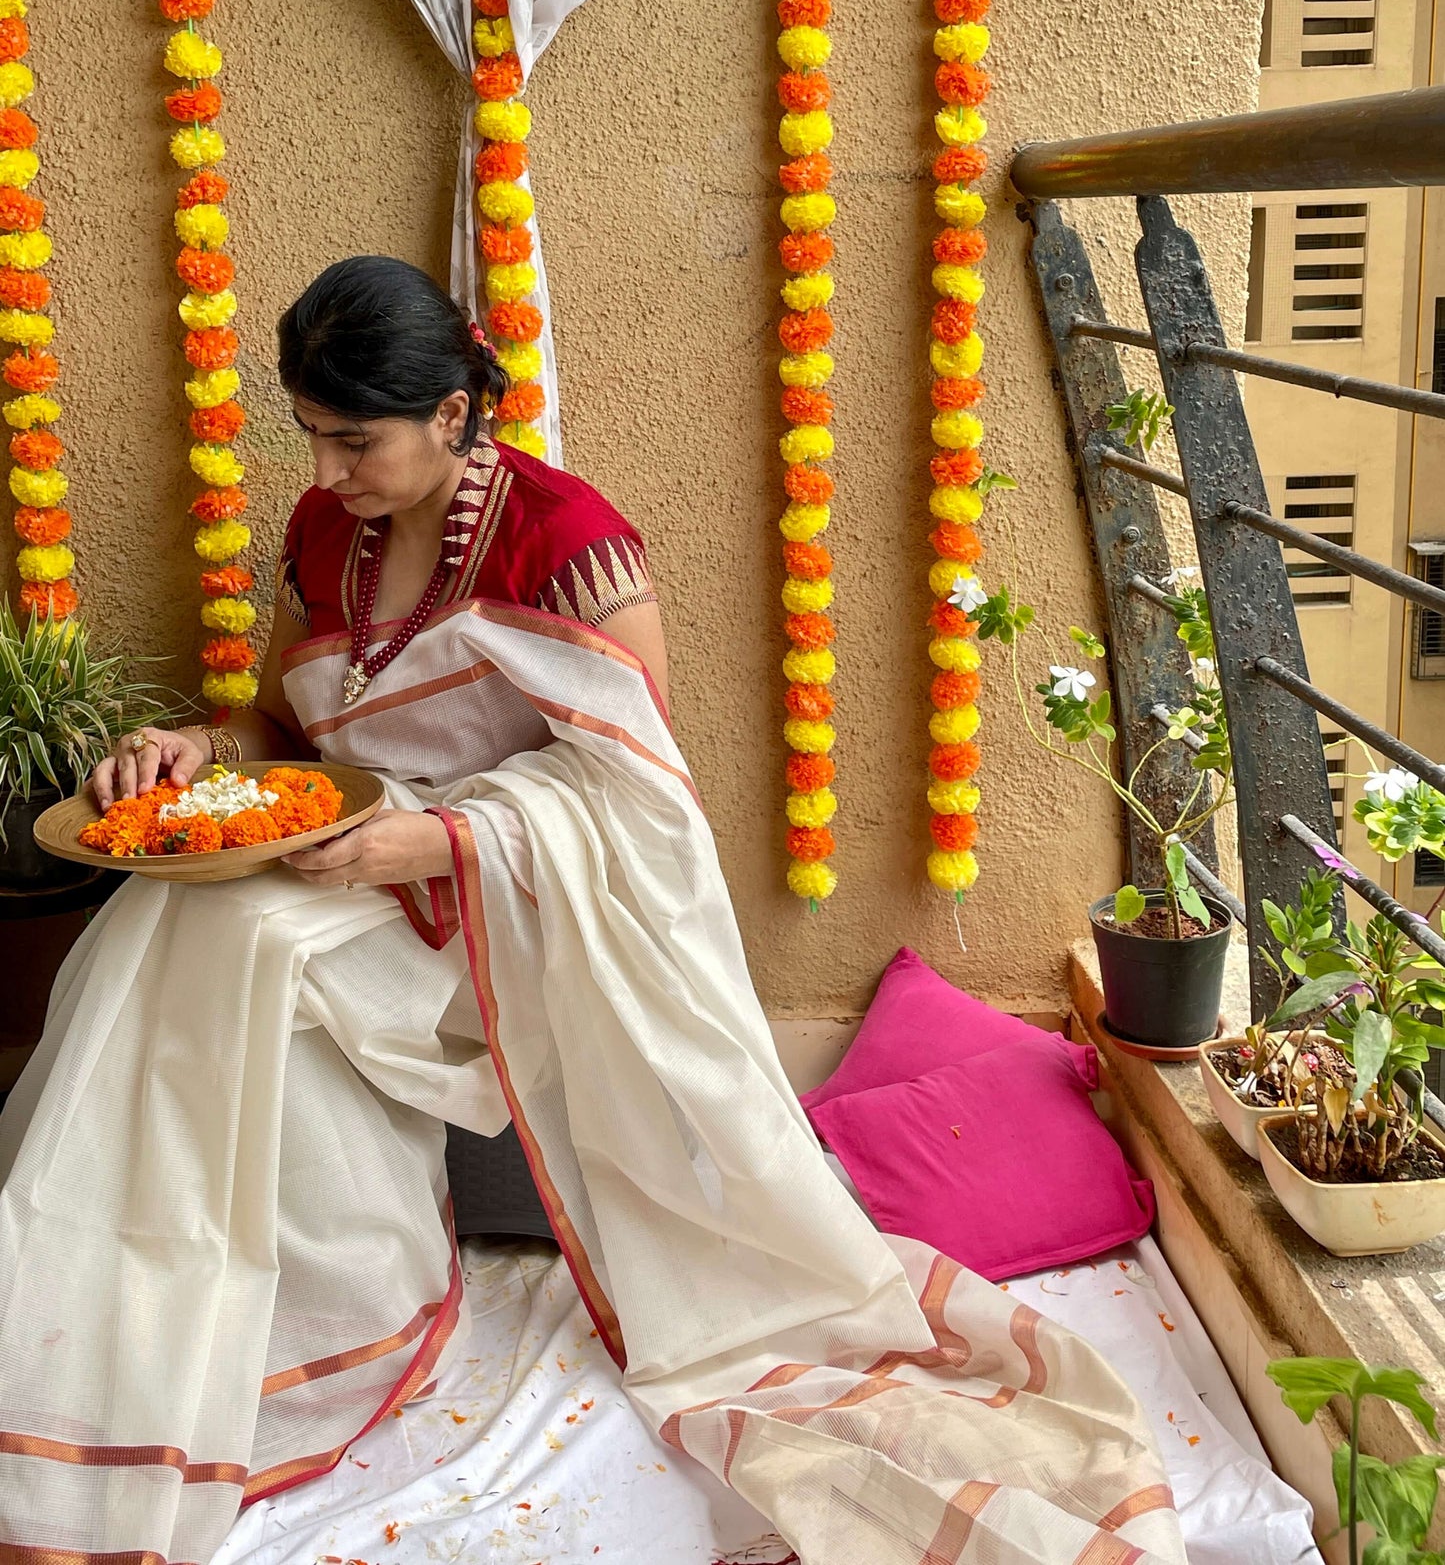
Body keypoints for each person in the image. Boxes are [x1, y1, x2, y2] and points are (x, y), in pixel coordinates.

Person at [0, 257, 1187, 1565]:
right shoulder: (327, 534)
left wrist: (438, 840)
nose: (328, 469)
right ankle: (105, 1352)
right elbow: (291, 732)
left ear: (455, 414)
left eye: (356, 439)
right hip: (363, 858)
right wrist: (195, 749)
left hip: (519, 909)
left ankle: (279, 1345)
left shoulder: (566, 545)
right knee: (152, 933)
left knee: (240, 941)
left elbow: (636, 802)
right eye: (312, 437)